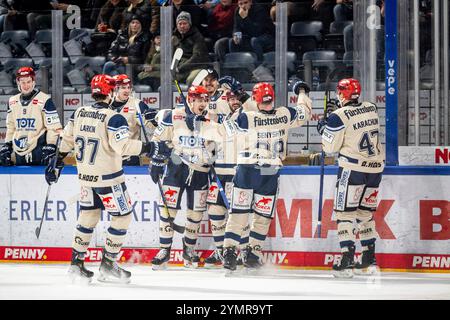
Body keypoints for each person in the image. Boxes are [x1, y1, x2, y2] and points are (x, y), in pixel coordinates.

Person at [44, 74, 170, 283]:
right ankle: (109, 264)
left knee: (88, 216)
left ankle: (76, 264)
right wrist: (152, 147)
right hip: (109, 180)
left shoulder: (79, 112)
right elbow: (124, 146)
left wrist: (57, 160)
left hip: (85, 179)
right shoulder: (114, 117)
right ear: (110, 92)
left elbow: (65, 140)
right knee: (122, 216)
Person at [190, 80, 312, 271]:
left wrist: (201, 125)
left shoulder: (246, 117)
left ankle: (229, 253)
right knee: (262, 216)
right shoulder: (285, 114)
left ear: (255, 99)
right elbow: (304, 111)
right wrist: (302, 91)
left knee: (239, 213)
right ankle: (253, 254)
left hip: (248, 169)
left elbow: (223, 132)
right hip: (270, 171)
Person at [317, 78, 385, 278]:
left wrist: (324, 127)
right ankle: (368, 259)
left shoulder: (339, 115)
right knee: (365, 214)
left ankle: (346, 259)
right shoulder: (372, 108)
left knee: (344, 214)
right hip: (375, 170)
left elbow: (330, 148)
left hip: (352, 169)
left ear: (342, 94)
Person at [150, 85, 217, 270]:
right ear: (190, 100)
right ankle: (164, 251)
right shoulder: (173, 115)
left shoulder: (212, 117)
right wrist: (156, 162)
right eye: (199, 100)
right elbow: (157, 140)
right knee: (168, 211)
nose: (203, 103)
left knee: (195, 214)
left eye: (205, 100)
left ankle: (189, 250)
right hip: (176, 167)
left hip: (201, 171)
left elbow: (218, 144)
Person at [0, 67, 62, 166]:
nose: (26, 85)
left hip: (39, 150)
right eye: (23, 82)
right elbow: (11, 127)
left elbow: (53, 128)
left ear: (33, 81)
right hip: (19, 150)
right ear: (18, 82)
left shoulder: (45, 100)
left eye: (28, 81)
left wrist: (51, 145)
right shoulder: (12, 101)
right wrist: (7, 145)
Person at [110, 74, 158, 165]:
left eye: (129, 87)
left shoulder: (137, 104)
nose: (127, 90)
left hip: (130, 158)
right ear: (115, 88)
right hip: (109, 157)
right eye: (123, 87)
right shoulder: (106, 104)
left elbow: (150, 124)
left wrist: (154, 120)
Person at [172, 11, 210, 85]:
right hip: (181, 67)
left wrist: (180, 68)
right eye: (180, 24)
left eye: (185, 23)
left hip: (197, 66)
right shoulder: (174, 37)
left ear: (189, 24)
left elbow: (197, 57)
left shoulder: (197, 36)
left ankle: (191, 96)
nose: (182, 26)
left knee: (191, 79)